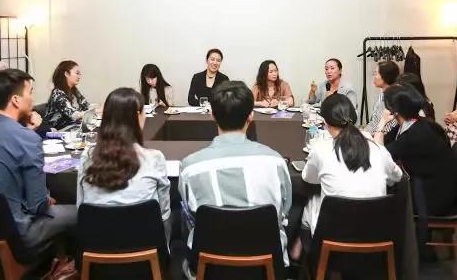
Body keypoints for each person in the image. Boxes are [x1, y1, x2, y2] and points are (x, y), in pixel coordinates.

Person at [179, 81, 292, 276]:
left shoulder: (190, 167)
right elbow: (283, 213)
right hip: (267, 268)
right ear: (251, 115)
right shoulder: (275, 162)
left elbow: (191, 217)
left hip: (208, 269)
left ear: (213, 115)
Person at [0, 69, 76, 253]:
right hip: (13, 232)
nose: (32, 99)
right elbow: (37, 205)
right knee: (81, 213)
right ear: (16, 100)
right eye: (30, 92)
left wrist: (27, 132)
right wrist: (47, 200)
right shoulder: (26, 139)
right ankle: (67, 264)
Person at [291, 94, 401, 259]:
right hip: (376, 236)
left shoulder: (321, 150)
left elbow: (308, 178)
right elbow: (396, 177)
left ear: (325, 123)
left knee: (313, 198)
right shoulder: (378, 149)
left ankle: (298, 248)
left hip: (332, 238)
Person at [77, 88, 171, 241]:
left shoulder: (87, 157)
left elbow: (81, 208)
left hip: (96, 248)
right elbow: (164, 214)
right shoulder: (154, 158)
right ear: (137, 117)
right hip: (146, 249)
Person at [374, 84, 457, 216]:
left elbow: (379, 156)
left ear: (394, 111)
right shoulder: (415, 123)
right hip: (427, 185)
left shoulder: (415, 134)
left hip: (430, 197)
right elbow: (384, 143)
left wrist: (382, 123)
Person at [44, 60, 91, 129]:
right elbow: (74, 115)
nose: (79, 76)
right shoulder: (57, 93)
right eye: (77, 73)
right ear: (66, 74)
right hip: (58, 131)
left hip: (72, 128)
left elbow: (86, 106)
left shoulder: (74, 91)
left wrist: (97, 108)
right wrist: (93, 112)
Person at [363, 61, 400, 134]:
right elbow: (374, 122)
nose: (374, 76)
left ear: (386, 76)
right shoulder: (382, 94)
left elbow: (387, 129)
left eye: (376, 73)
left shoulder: (393, 98)